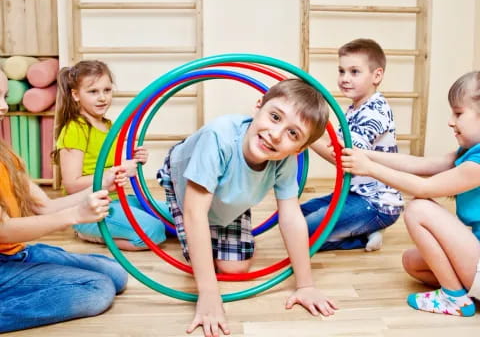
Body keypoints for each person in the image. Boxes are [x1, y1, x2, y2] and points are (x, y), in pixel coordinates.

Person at [157, 78, 337, 336]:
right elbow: (195, 214)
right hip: (185, 179)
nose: (276, 134)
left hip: (229, 192)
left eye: (292, 133)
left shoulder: (284, 160)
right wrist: (209, 294)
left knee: (235, 268)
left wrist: (305, 284)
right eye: (275, 117)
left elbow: (291, 216)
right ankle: (166, 214)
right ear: (258, 106)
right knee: (196, 223)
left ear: (300, 149)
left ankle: (225, 205)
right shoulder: (218, 137)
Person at [341, 71, 480, 317]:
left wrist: (370, 168)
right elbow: (418, 164)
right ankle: (462, 293)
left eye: (458, 113)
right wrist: (363, 153)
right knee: (412, 263)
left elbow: (423, 187)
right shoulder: (467, 153)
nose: (450, 121)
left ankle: (454, 298)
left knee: (419, 207)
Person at [0, 69, 129, 332]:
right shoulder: (75, 129)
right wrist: (75, 215)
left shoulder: (4, 154)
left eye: (3, 96)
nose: (4, 106)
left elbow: (43, 206)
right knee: (97, 289)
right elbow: (3, 229)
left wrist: (104, 183)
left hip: (16, 253)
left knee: (115, 274)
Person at [301, 38, 403, 252]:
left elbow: (342, 156)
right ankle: (362, 228)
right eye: (341, 71)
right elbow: (332, 143)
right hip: (353, 193)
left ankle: (365, 234)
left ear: (377, 75)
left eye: (354, 72)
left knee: (303, 233)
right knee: (295, 218)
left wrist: (304, 136)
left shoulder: (374, 112)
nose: (345, 78)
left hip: (377, 203)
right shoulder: (355, 108)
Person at [54, 60, 166, 251]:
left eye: (107, 90)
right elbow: (71, 184)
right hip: (90, 207)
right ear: (75, 95)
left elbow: (110, 168)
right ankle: (88, 232)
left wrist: (134, 162)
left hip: (117, 198)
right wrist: (118, 170)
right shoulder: (75, 129)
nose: (102, 98)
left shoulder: (109, 126)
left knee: (173, 211)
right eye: (93, 92)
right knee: (153, 231)